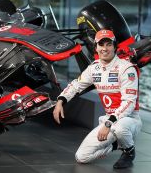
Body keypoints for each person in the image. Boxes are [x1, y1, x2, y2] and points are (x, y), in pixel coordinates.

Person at [53, 29, 142, 169]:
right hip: (108, 120)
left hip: (129, 120)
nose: (104, 48)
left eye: (108, 44)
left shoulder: (127, 69)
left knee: (119, 128)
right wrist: (61, 100)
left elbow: (129, 103)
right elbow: (76, 85)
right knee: (82, 157)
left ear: (115, 46)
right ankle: (115, 145)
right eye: (101, 45)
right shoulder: (94, 68)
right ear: (96, 47)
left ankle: (129, 152)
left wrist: (108, 124)